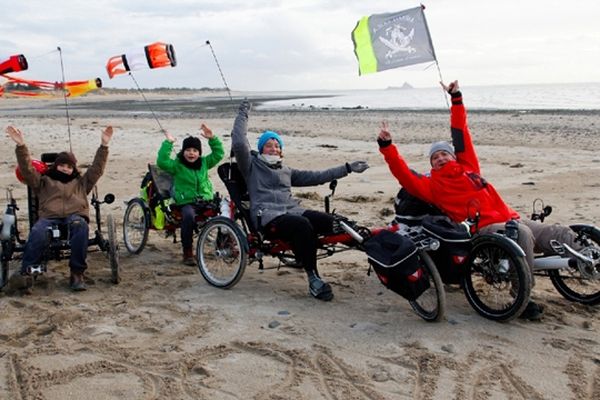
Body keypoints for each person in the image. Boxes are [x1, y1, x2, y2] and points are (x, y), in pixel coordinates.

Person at [377, 80, 590, 320]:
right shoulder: (431, 186)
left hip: (509, 217)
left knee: (558, 233)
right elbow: (402, 173)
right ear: (431, 165)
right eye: (435, 157)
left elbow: (461, 132)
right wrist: (387, 146)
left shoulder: (469, 166)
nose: (440, 158)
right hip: (482, 228)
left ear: (453, 156)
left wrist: (456, 98)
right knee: (521, 234)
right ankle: (520, 295)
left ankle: (591, 260)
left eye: (444, 153)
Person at [231, 100, 369, 301]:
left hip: (292, 211)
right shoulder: (251, 167)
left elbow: (317, 176)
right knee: (303, 226)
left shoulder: (287, 171)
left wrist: (347, 168)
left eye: (277, 145)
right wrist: (243, 112)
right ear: (261, 150)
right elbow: (239, 143)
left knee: (336, 222)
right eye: (268, 145)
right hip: (267, 217)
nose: (273, 148)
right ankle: (314, 278)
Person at [6, 125, 114, 291]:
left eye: (69, 166)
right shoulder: (43, 181)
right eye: (62, 165)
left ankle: (77, 274)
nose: (66, 169)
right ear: (56, 166)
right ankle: (28, 272)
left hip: (75, 216)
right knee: (38, 231)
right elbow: (27, 170)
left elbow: (97, 169)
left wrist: (104, 145)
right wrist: (21, 146)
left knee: (80, 226)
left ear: (73, 169)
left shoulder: (81, 182)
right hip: (49, 217)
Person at [156, 124, 224, 266]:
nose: (191, 153)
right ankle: (187, 251)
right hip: (186, 202)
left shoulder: (205, 162)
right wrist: (168, 143)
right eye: (188, 150)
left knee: (224, 211)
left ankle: (223, 244)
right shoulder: (177, 165)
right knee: (188, 216)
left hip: (206, 200)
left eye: (194, 150)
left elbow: (219, 154)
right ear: (183, 151)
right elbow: (162, 162)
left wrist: (212, 139)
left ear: (199, 152)